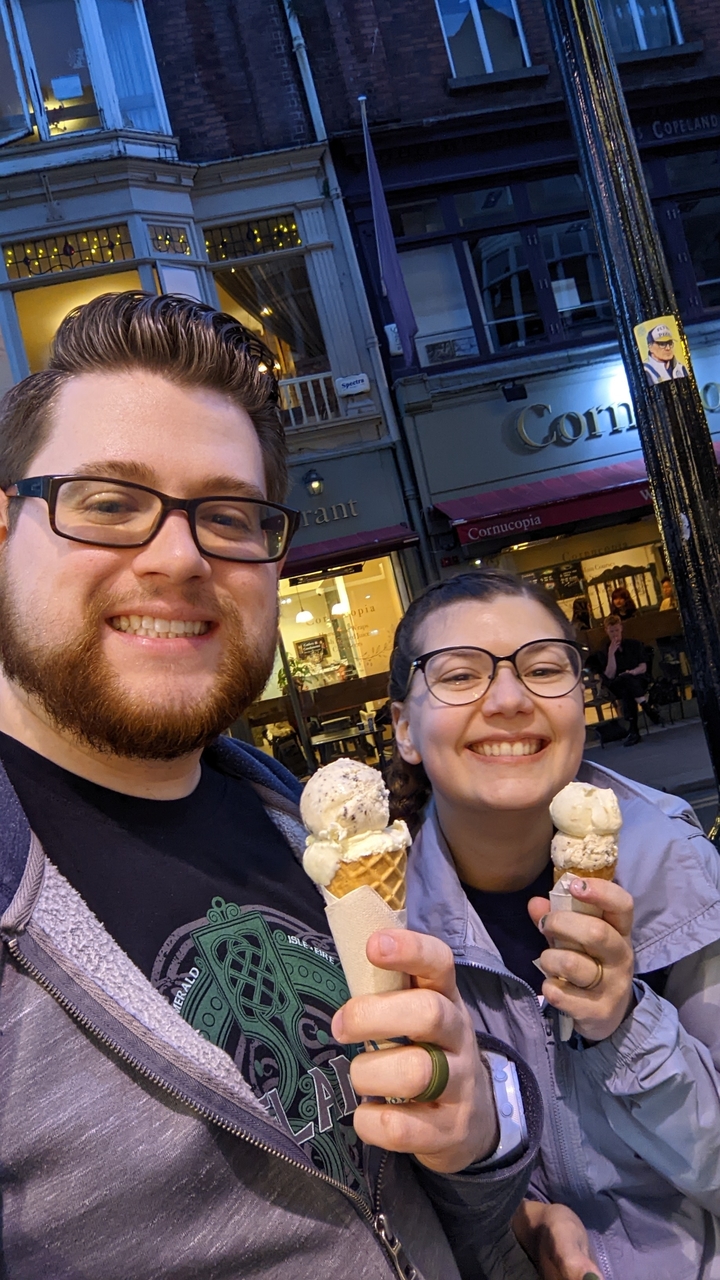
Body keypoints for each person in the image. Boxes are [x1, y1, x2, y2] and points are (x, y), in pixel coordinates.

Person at [0, 293, 544, 1280]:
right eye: (109, 502)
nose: (178, 555)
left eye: (229, 515)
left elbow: (434, 1198)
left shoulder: (312, 834)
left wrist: (485, 1140)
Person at [388, 568, 720, 1280]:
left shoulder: (679, 870)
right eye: (459, 675)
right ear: (404, 730)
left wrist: (624, 1022)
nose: (509, 699)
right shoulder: (384, 935)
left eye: (543, 669)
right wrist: (515, 1219)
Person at [600, 614, 661, 746]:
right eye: (611, 631)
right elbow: (609, 675)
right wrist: (611, 654)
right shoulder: (605, 650)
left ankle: (634, 730)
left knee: (627, 685)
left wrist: (632, 672)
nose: (615, 634)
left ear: (621, 628)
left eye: (617, 630)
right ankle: (646, 707)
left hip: (637, 680)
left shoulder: (634, 645)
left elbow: (643, 667)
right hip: (617, 683)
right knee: (624, 680)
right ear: (606, 631)